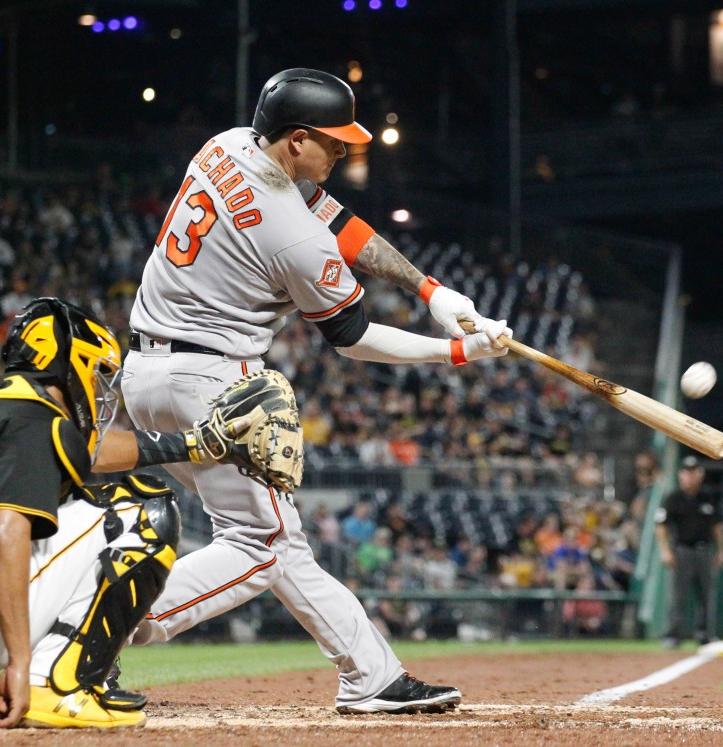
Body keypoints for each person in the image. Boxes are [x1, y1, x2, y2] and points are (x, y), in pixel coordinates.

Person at [121, 67, 513, 714]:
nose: (344, 150)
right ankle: (90, 631)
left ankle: (373, 675)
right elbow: (353, 336)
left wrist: (431, 291)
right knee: (262, 543)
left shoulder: (226, 145)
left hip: (146, 373)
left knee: (281, 536)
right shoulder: (291, 234)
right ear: (296, 139)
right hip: (213, 382)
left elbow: (340, 219)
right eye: (333, 140)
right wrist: (456, 350)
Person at [0, 298, 191, 728]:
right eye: (95, 373)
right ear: (69, 361)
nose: (96, 389)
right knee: (144, 509)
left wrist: (193, 444)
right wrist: (18, 660)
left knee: (63, 507)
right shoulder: (34, 416)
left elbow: (89, 455)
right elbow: (3, 530)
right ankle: (57, 682)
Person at [654, 455, 723, 648]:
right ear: (680, 475)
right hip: (682, 550)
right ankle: (673, 635)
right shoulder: (673, 498)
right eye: (687, 472)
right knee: (678, 596)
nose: (690, 477)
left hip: (704, 550)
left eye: (694, 472)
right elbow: (661, 526)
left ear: (700, 475)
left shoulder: (708, 497)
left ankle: (705, 634)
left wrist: (721, 551)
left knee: (706, 595)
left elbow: (717, 527)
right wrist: (665, 551)